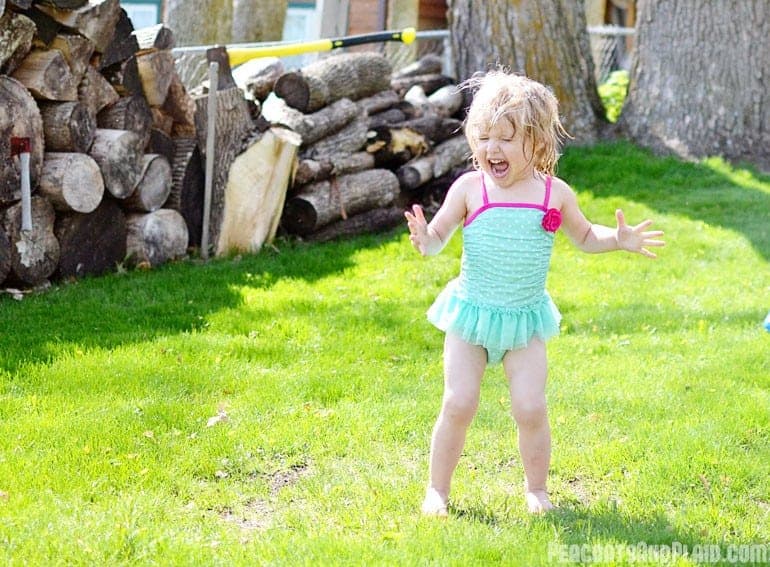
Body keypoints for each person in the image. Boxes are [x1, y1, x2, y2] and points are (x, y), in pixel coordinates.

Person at [404, 70, 665, 516]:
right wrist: (426, 240)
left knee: (530, 406)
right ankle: (437, 491)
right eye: (484, 138)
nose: (492, 150)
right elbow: (440, 233)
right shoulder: (470, 188)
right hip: (472, 315)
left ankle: (537, 489)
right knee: (459, 402)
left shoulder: (553, 195)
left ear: (537, 143)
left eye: (505, 139)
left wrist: (617, 239)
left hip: (524, 319)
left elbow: (584, 236)